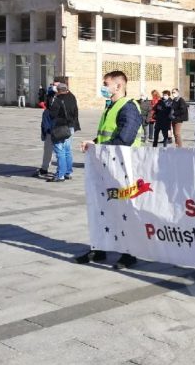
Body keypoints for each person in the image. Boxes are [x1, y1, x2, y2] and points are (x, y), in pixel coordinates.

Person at [76, 70, 143, 270]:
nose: (103, 87)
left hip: (124, 167)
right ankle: (100, 247)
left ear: (118, 86)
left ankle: (129, 253)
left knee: (124, 210)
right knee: (102, 208)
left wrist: (100, 149)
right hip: (107, 164)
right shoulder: (110, 106)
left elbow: (125, 138)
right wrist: (94, 143)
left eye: (106, 84)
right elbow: (107, 135)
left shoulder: (129, 107)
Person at [47, 83, 79, 182]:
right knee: (67, 150)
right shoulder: (72, 97)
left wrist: (52, 98)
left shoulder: (57, 99)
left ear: (58, 90)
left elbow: (52, 114)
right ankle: (67, 172)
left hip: (60, 127)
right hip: (71, 126)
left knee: (60, 151)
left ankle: (60, 175)